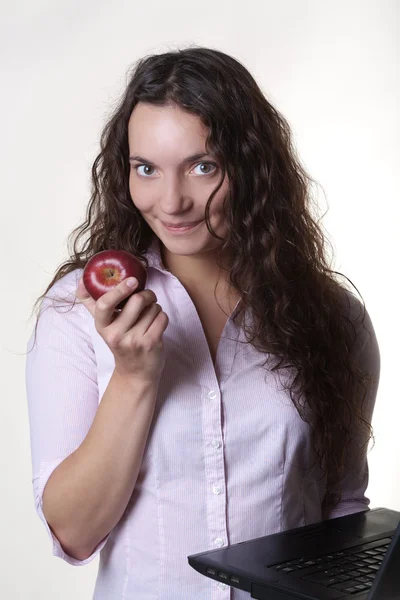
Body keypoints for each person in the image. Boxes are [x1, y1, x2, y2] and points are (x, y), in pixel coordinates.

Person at [25, 46, 380, 599]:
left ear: (252, 165)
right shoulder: (76, 313)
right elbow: (73, 532)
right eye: (146, 168)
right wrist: (135, 377)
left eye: (202, 166)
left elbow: (342, 512)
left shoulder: (333, 317)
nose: (172, 201)